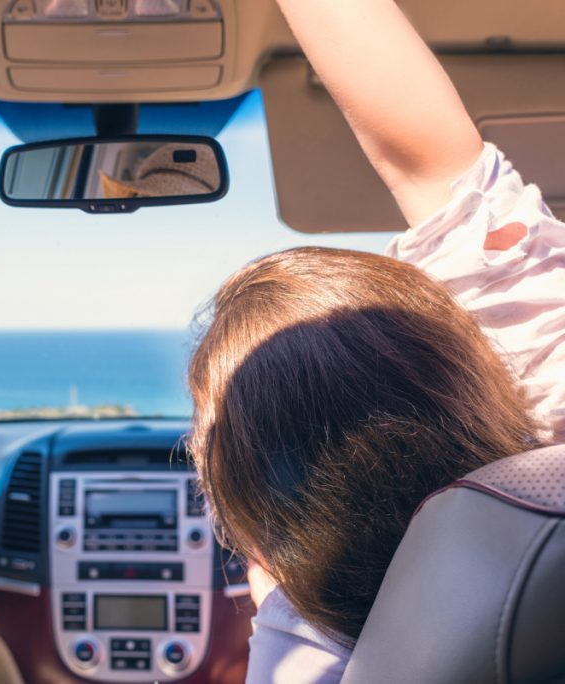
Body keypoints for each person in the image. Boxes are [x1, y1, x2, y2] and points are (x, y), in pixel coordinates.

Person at [185, 0, 565, 681]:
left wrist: (279, 596)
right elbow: (431, 165)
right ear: (459, 364)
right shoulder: (546, 418)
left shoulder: (303, 654)